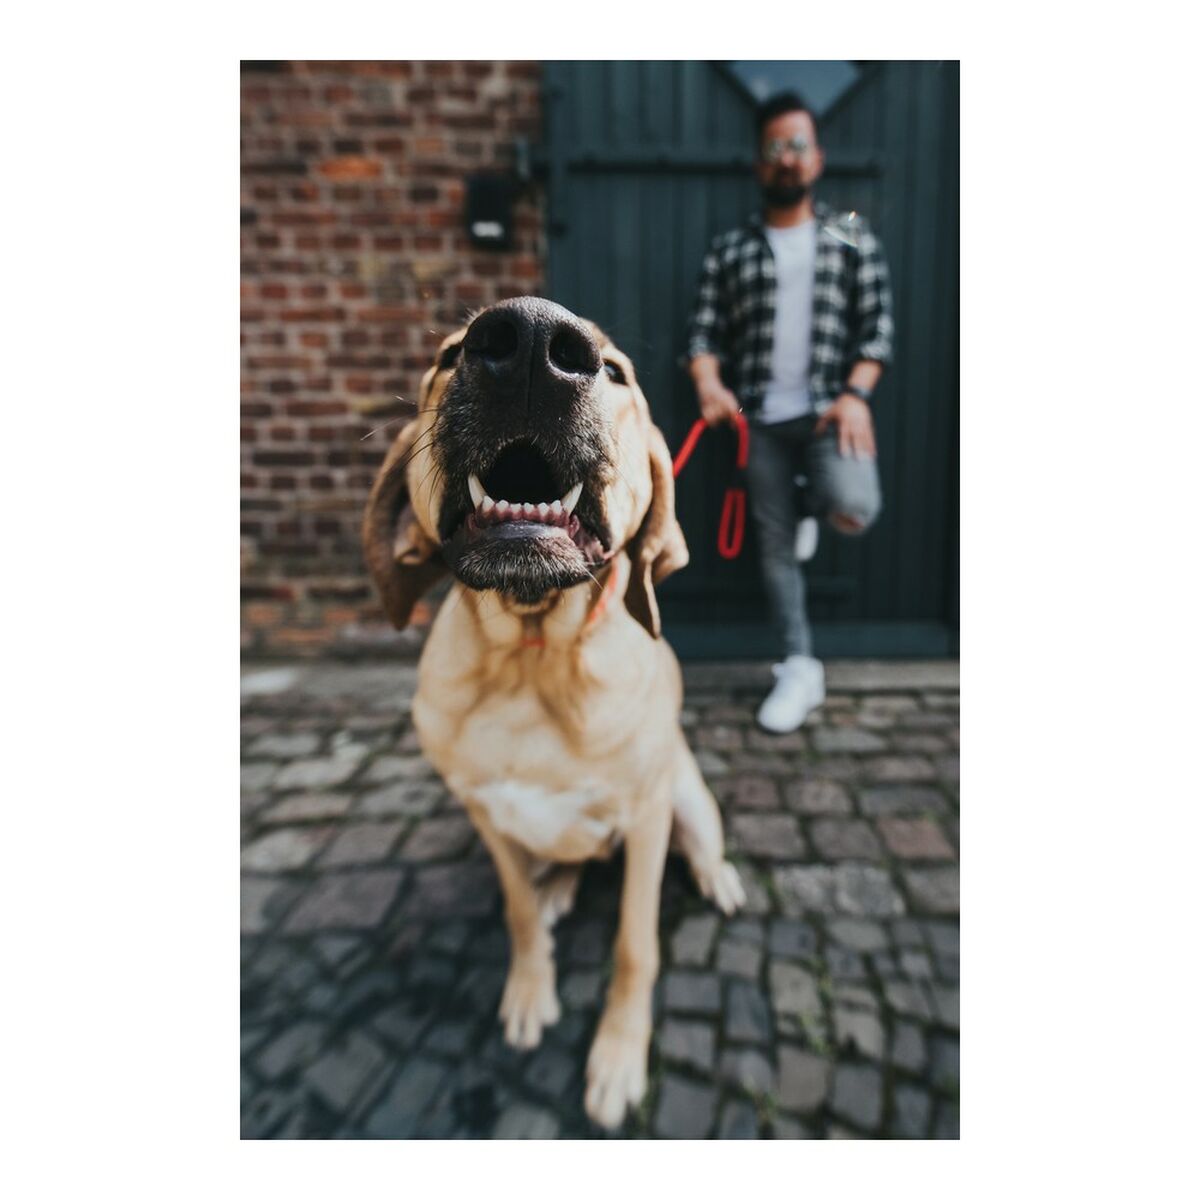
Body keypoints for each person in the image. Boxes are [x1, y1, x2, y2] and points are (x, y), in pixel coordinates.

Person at [686, 90, 894, 733]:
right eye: (775, 147)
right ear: (760, 162)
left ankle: (807, 503)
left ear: (818, 158)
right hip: (759, 422)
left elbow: (878, 329)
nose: (787, 157)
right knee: (774, 548)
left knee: (855, 507)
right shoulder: (732, 248)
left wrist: (857, 395)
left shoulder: (849, 233)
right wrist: (709, 385)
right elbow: (702, 333)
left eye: (798, 145)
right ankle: (800, 665)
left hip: (829, 411)